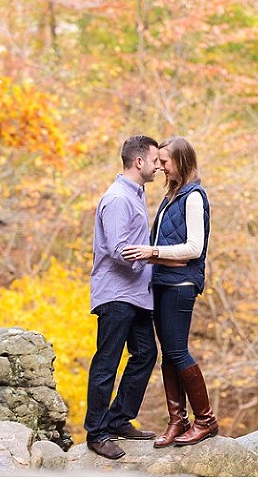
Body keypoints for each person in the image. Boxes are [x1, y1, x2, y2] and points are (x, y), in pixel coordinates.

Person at [122, 136, 218, 447]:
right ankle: (178, 419)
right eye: (159, 161)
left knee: (178, 351)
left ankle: (205, 420)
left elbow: (194, 248)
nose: (160, 167)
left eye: (165, 161)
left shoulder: (193, 197)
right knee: (168, 354)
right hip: (162, 282)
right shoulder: (172, 196)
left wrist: (152, 252)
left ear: (183, 160)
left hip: (180, 285)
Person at [84, 134, 160, 460]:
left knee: (145, 354)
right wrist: (157, 255)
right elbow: (117, 249)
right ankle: (96, 433)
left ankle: (117, 419)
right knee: (107, 363)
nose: (159, 166)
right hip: (116, 294)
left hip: (136, 294)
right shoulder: (118, 198)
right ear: (139, 161)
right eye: (155, 160)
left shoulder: (135, 195)